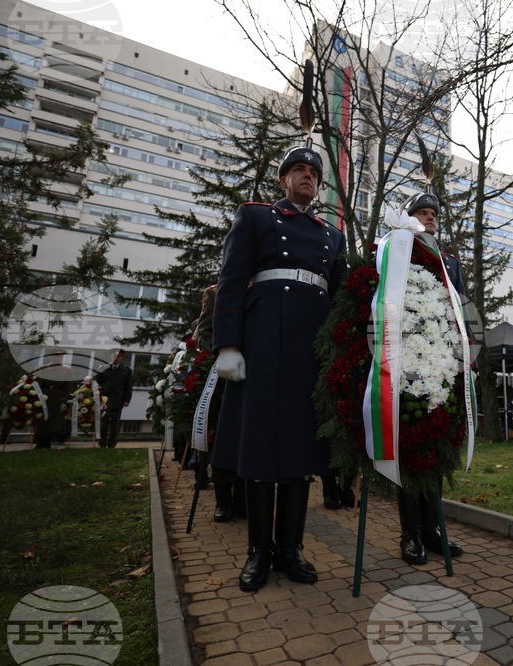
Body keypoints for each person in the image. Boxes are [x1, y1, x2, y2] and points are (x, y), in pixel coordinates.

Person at [211, 145, 347, 591]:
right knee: (260, 444)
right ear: (282, 179)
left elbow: (343, 298)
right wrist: (228, 344)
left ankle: (290, 548)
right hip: (265, 337)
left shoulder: (333, 235)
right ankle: (259, 550)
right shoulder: (255, 217)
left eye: (314, 172)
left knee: (299, 449)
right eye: (299, 170)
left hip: (312, 345)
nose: (307, 176)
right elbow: (231, 280)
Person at [393, 191, 466, 566]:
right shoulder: (398, 254)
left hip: (444, 365)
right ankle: (412, 533)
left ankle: (434, 528)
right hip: (410, 366)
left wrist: (466, 357)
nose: (431, 218)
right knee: (411, 449)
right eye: (422, 213)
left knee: (436, 447)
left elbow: (463, 310)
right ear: (411, 220)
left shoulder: (450, 262)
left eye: (434, 214)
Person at [193, 284, 245, 523]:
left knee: (248, 436)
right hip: (223, 372)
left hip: (252, 372)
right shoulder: (216, 291)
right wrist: (225, 350)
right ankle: (223, 501)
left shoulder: (262, 285)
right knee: (222, 437)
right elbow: (204, 331)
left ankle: (244, 499)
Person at [95, 348, 133, 448]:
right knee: (104, 423)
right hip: (105, 401)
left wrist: (126, 400)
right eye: (113, 356)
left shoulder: (126, 371)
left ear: (121, 358)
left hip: (118, 401)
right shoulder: (104, 369)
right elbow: (97, 382)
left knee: (115, 424)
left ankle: (112, 444)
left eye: (118, 356)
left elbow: (128, 387)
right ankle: (102, 443)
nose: (115, 358)